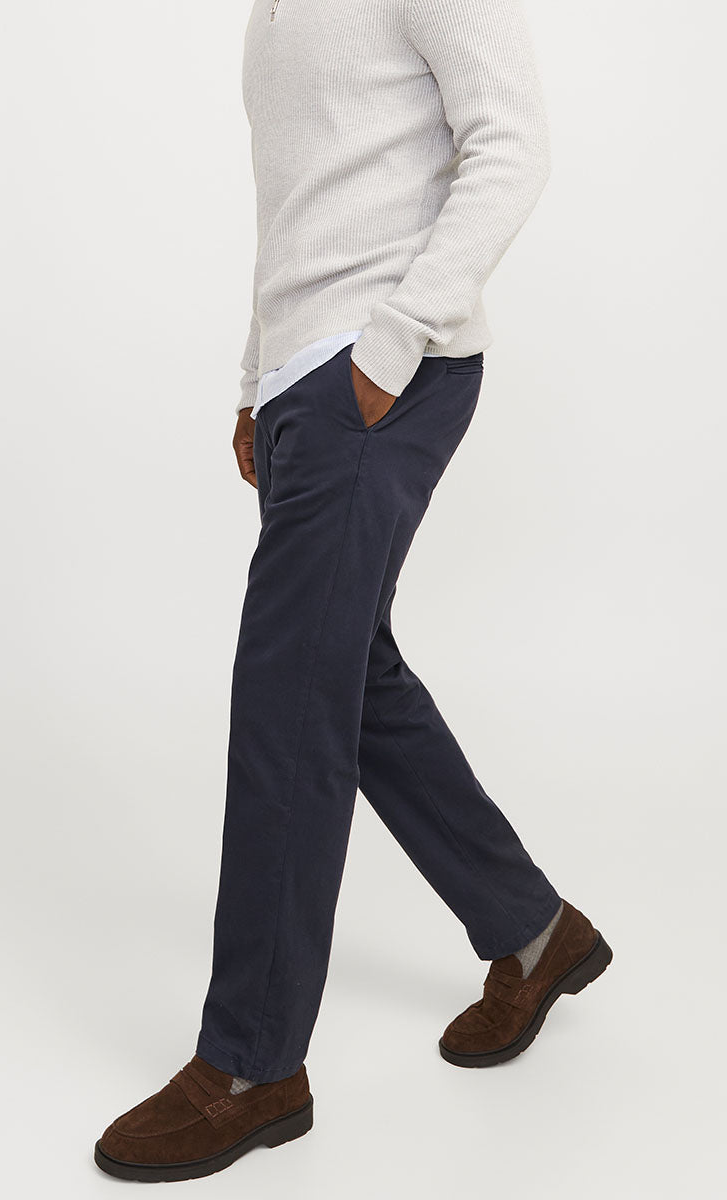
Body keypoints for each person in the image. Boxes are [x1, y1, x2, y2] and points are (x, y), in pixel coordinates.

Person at [94, 0, 611, 1182]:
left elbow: (511, 142)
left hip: (382, 373)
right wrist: (256, 379)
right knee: (345, 676)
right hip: (307, 384)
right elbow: (298, 202)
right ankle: (535, 935)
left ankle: (251, 1065)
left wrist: (390, 343)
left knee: (288, 699)